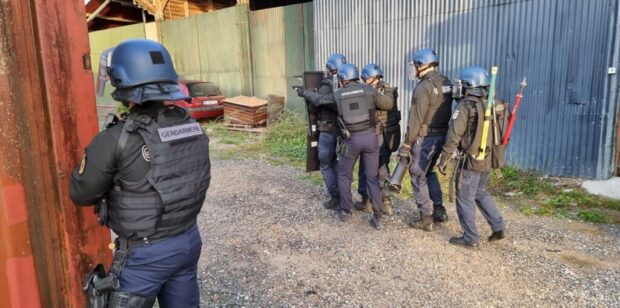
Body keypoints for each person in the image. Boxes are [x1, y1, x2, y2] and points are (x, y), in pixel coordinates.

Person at [70, 39, 211, 307]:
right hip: (188, 240)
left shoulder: (115, 139)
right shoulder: (192, 127)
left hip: (145, 254)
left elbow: (81, 193)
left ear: (121, 82)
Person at [298, 63, 393, 230]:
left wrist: (304, 92)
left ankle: (346, 212)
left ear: (342, 79)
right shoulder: (369, 90)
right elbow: (387, 104)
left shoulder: (339, 94)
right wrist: (390, 91)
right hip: (371, 139)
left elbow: (319, 101)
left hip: (352, 141)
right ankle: (377, 216)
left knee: (344, 176)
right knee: (372, 177)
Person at [436, 66, 507, 248]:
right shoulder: (493, 104)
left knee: (465, 196)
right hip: (488, 158)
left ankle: (470, 238)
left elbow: (454, 134)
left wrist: (444, 158)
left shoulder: (466, 105)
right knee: (480, 192)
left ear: (470, 85)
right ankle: (498, 227)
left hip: (471, 160)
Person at [400, 48, 452, 232]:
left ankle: (426, 217)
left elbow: (416, 119)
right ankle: (439, 210)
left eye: (416, 65)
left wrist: (407, 143)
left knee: (417, 174)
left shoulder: (423, 87)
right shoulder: (446, 82)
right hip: (441, 135)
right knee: (429, 172)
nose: (414, 69)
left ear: (424, 65)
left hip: (425, 137)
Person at [353, 64, 399, 216]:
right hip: (377, 135)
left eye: (365, 79)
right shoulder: (383, 89)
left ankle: (379, 202)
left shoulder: (384, 90)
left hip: (379, 136)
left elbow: (386, 104)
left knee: (376, 169)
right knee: (375, 169)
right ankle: (372, 201)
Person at [313, 53, 348, 210]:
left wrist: (309, 93)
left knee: (326, 163)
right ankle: (342, 194)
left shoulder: (326, 87)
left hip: (327, 130)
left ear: (331, 69)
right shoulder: (347, 85)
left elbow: (314, 105)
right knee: (336, 162)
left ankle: (335, 197)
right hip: (342, 131)